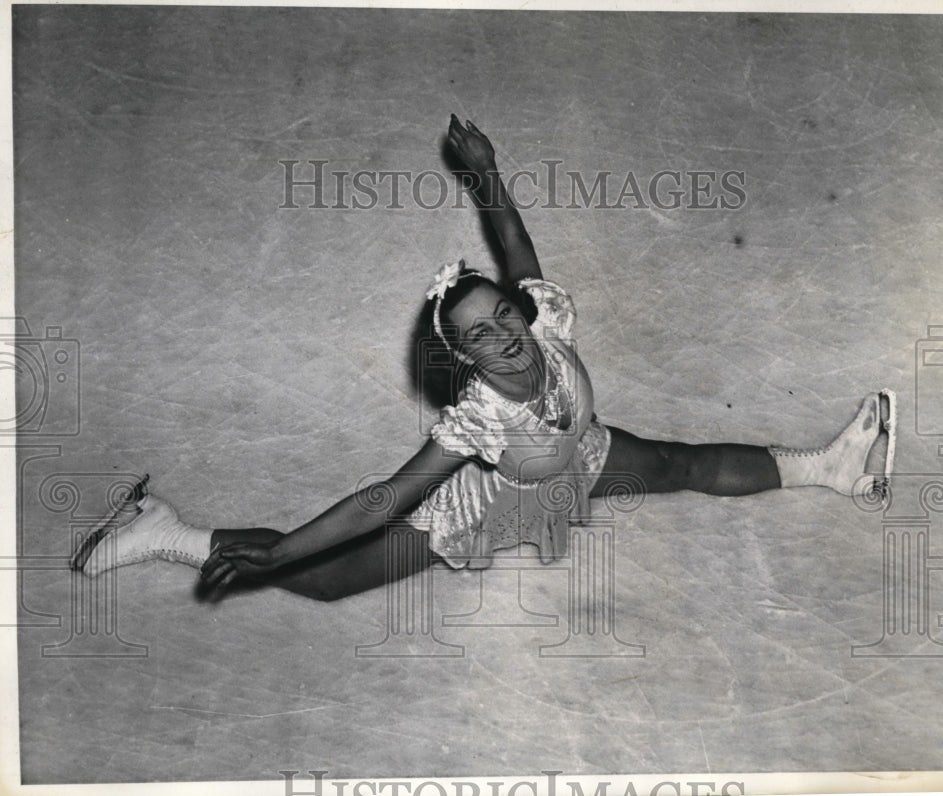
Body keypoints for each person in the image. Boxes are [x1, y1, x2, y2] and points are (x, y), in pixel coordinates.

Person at [71, 115, 896, 601]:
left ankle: (824, 467)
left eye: (502, 313)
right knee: (325, 581)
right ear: (461, 358)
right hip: (483, 502)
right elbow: (386, 497)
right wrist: (282, 551)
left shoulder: (548, 323)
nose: (502, 333)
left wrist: (487, 172)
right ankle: (169, 533)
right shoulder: (477, 419)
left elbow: (516, 246)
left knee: (681, 460)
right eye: (478, 334)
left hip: (581, 452)